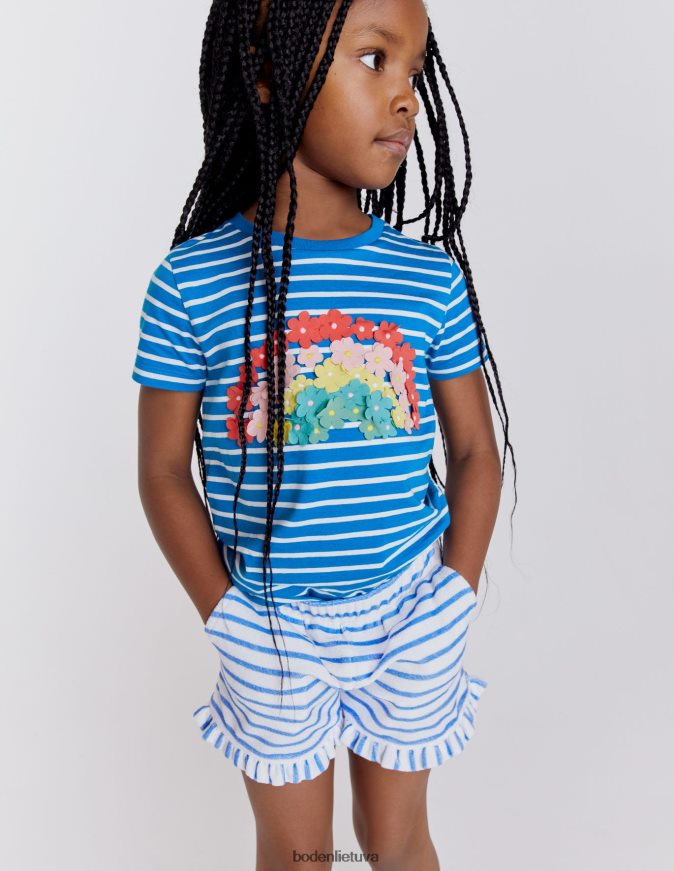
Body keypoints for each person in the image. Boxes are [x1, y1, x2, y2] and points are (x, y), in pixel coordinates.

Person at [131, 0, 514, 867]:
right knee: (296, 854)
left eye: (414, 71)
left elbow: (473, 453)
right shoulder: (191, 283)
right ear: (270, 72)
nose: (406, 96)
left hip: (410, 606)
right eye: (375, 60)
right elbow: (161, 471)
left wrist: (452, 596)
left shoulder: (427, 279)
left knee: (397, 839)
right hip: (268, 623)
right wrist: (226, 615)